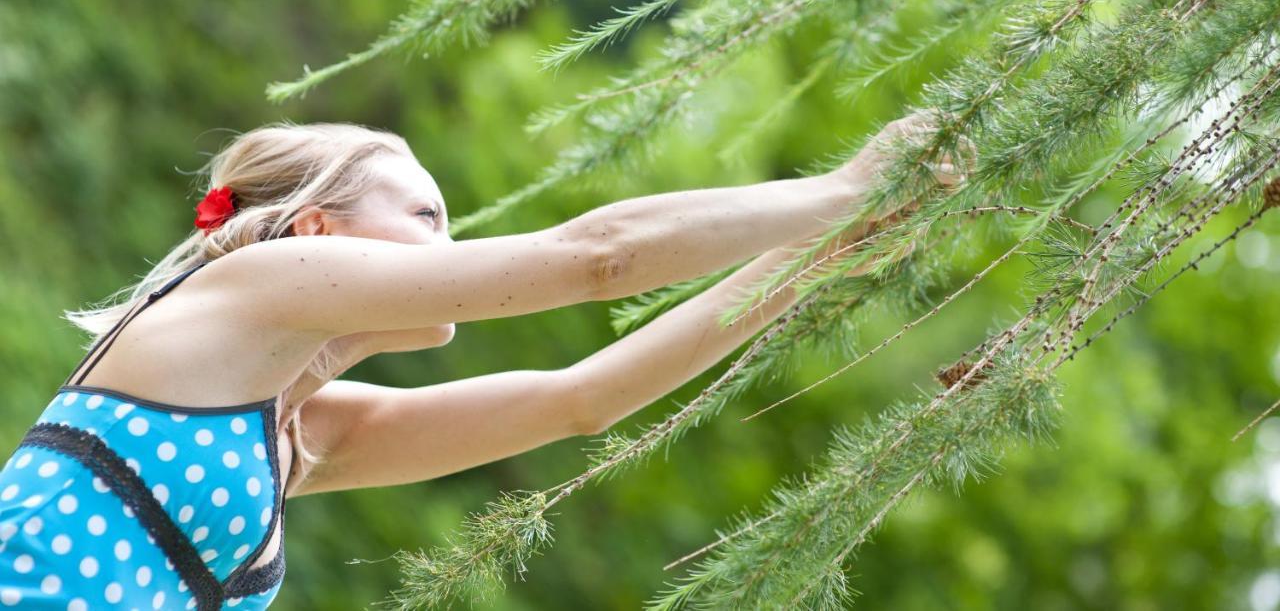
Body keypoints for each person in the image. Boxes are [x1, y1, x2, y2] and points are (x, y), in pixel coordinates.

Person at [0, 115, 965, 609]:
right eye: (426, 216)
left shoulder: (297, 436)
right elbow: (598, 259)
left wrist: (827, 251)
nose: (453, 247)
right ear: (315, 230)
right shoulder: (252, 288)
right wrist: (841, 190)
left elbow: (585, 399)